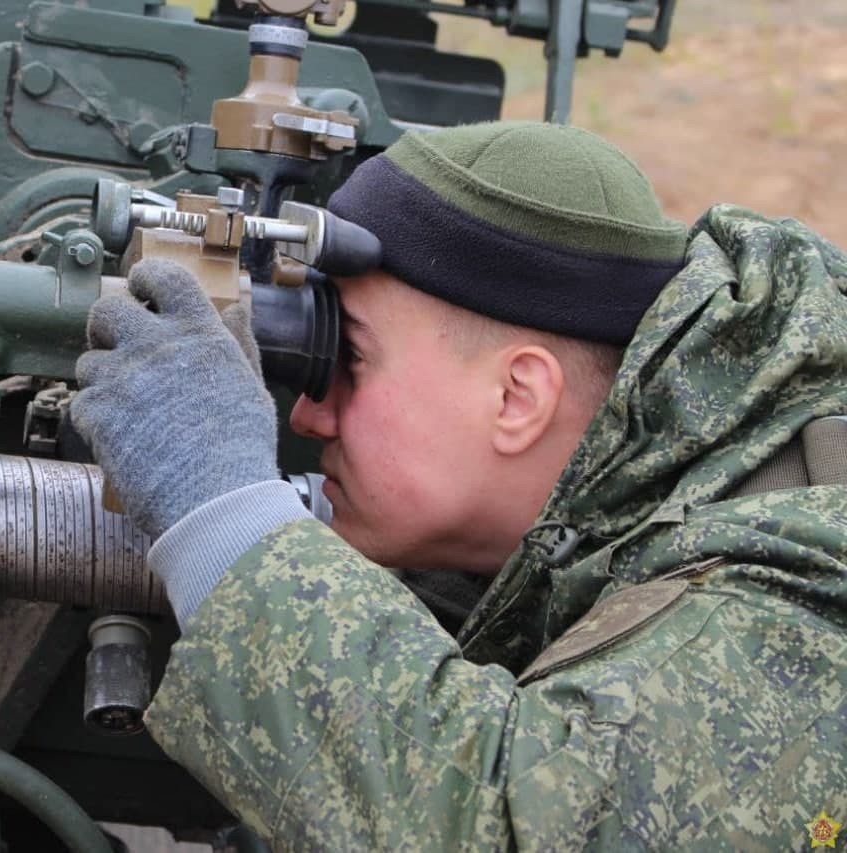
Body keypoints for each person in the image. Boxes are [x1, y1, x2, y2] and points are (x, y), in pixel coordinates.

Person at [69, 121, 847, 849]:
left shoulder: (792, 596)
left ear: (517, 398)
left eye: (351, 357)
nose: (306, 415)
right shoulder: (620, 520)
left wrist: (223, 516)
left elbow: (515, 828)